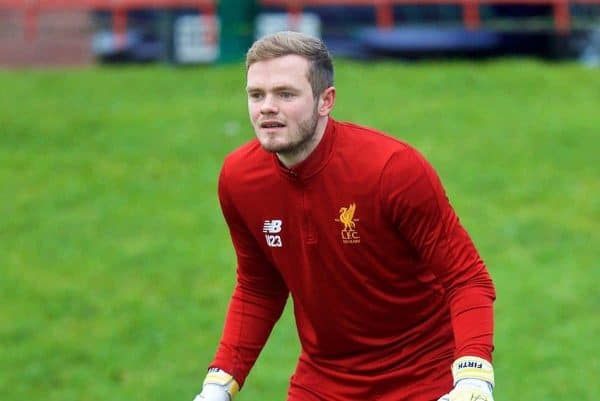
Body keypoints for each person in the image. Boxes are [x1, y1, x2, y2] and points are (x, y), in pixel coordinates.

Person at [193, 31, 496, 401]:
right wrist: (218, 384)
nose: (266, 107)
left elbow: (467, 278)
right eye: (257, 95)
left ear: (326, 101)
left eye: (285, 94)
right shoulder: (239, 179)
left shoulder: (392, 169)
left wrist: (473, 377)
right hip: (323, 384)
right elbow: (259, 287)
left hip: (424, 381)